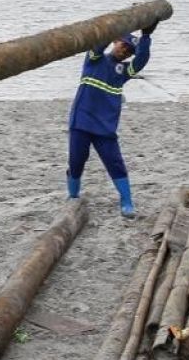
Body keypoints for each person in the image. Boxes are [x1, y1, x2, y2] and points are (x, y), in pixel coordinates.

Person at [66, 24, 154, 216]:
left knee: (115, 162)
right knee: (76, 161)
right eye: (123, 45)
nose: (125, 51)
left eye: (129, 51)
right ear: (115, 42)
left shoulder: (123, 72)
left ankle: (127, 201)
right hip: (81, 121)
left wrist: (146, 36)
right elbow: (98, 46)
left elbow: (141, 60)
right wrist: (112, 27)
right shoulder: (94, 60)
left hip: (105, 127)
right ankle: (73, 196)